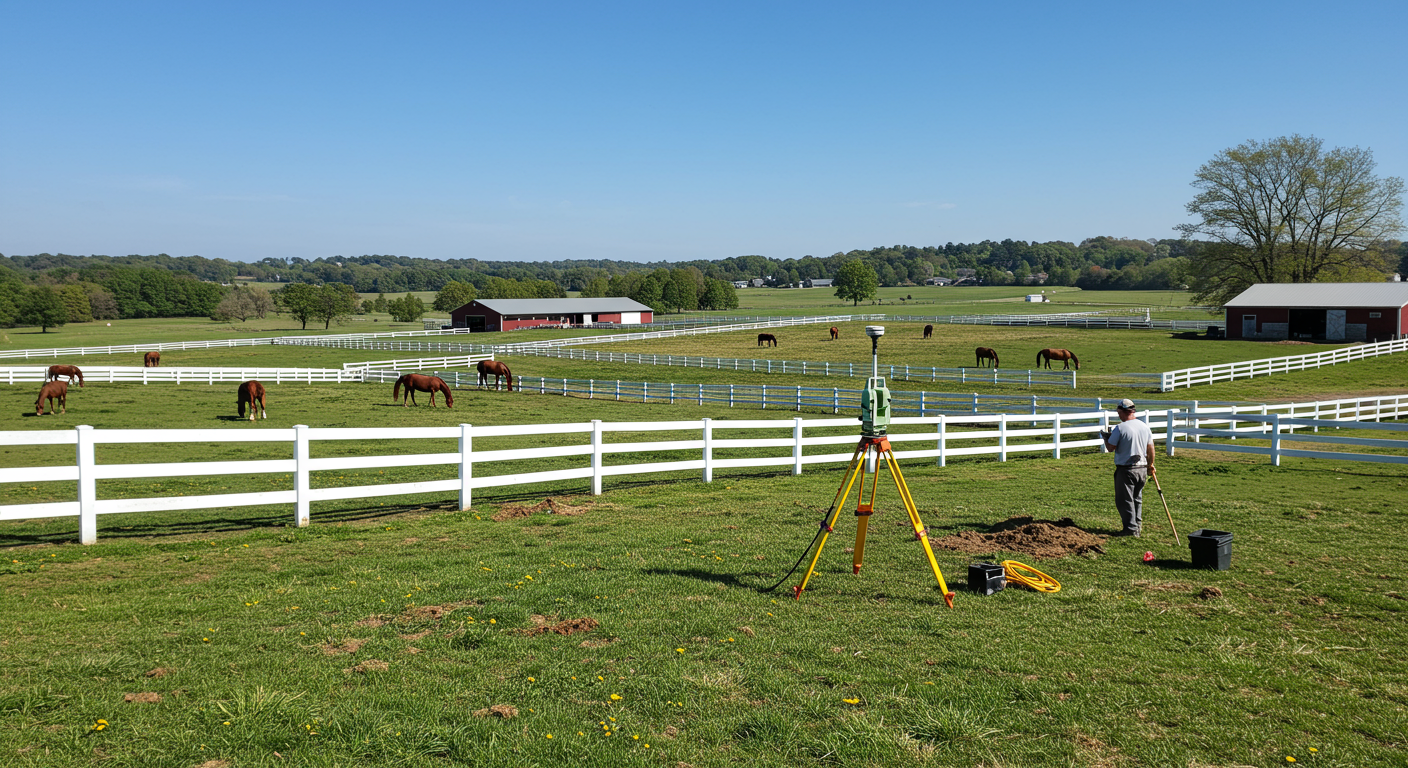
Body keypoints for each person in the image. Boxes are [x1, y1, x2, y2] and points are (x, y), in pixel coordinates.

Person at [1101, 398, 1155, 537]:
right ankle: (1137, 526)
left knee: (1125, 500)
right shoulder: (1144, 427)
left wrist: (1106, 438)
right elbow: (1151, 448)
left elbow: (1111, 448)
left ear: (1124, 411)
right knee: (1137, 498)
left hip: (1126, 469)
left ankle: (1130, 529)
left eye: (1119, 412)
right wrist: (1150, 465)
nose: (1118, 415)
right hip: (1141, 468)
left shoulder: (1120, 428)